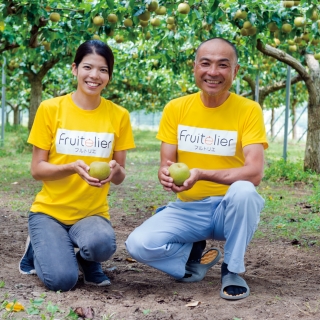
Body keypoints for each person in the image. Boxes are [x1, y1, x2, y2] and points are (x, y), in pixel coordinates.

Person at [125, 37, 268, 300]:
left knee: (245, 191)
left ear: (235, 71)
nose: (213, 72)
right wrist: (166, 176)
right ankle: (190, 256)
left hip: (230, 211)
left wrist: (201, 173)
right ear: (194, 68)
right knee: (137, 244)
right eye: (206, 63)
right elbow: (165, 165)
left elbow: (254, 172)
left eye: (223, 65)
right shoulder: (176, 109)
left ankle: (232, 270)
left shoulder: (248, 110)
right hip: (188, 210)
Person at [19, 40, 135, 292]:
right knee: (62, 281)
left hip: (91, 214)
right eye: (87, 67)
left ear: (109, 76)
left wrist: (115, 171)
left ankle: (86, 258)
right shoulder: (51, 109)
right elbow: (37, 169)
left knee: (102, 244)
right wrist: (71, 167)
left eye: (103, 70)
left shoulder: (119, 115)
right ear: (75, 69)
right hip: (49, 212)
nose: (94, 75)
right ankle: (37, 247)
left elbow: (120, 175)